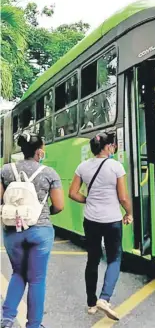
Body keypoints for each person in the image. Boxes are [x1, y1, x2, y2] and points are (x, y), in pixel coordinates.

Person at [0, 132, 64, 328]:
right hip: (40, 230)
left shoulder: (5, 171)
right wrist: (42, 213)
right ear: (39, 151)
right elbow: (59, 205)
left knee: (18, 273)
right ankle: (34, 325)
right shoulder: (49, 172)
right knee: (36, 279)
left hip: (12, 230)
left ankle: (7, 319)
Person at [68, 131, 132, 321]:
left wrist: (88, 200)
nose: (113, 148)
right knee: (114, 258)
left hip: (91, 220)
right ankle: (104, 298)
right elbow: (123, 197)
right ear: (107, 147)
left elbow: (72, 193)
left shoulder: (83, 167)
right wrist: (129, 213)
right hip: (112, 220)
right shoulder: (116, 167)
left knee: (93, 259)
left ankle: (91, 303)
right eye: (112, 145)